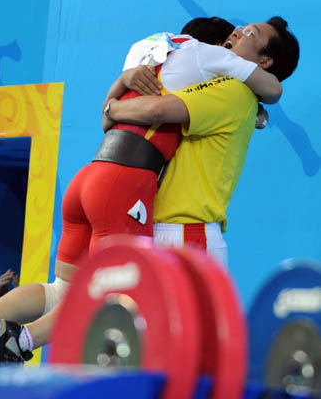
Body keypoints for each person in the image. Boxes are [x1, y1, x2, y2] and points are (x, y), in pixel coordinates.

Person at [0, 16, 288, 380]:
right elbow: (165, 108)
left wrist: (114, 98)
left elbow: (139, 111)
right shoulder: (218, 84)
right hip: (149, 207)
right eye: (231, 37)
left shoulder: (192, 74)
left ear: (263, 60)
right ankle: (19, 340)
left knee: (69, 292)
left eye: (248, 35)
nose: (235, 37)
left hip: (95, 178)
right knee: (116, 306)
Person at [102, 16, 299, 266]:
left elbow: (156, 110)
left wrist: (111, 108)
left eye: (250, 32)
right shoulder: (223, 86)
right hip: (164, 229)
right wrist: (125, 80)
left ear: (264, 62)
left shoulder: (233, 91)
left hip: (186, 234)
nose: (238, 32)